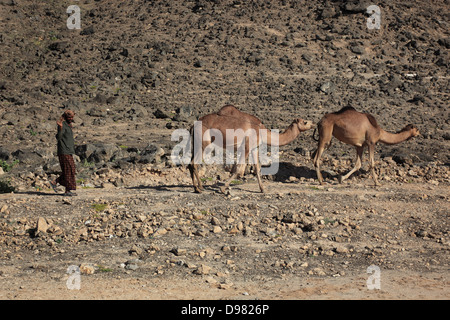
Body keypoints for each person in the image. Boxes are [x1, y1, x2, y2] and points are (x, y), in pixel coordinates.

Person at [50, 110, 77, 196]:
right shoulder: (62, 124)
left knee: (70, 170)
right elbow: (58, 137)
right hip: (64, 151)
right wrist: (60, 128)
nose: (71, 119)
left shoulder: (68, 125)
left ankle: (55, 182)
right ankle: (67, 190)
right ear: (66, 117)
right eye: (70, 117)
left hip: (68, 150)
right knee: (69, 170)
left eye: (72, 117)